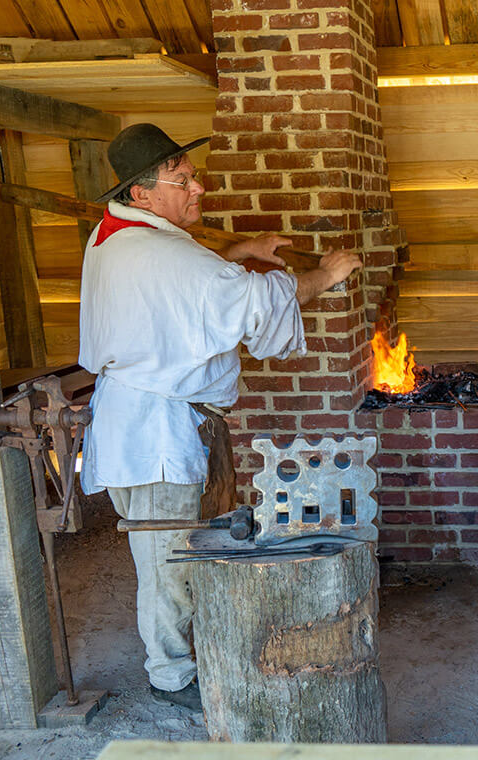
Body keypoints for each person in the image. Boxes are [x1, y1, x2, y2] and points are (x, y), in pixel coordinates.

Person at [78, 123, 361, 711]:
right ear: (141, 194)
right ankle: (171, 675)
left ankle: (185, 655)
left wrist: (238, 253)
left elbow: (187, 287)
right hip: (155, 432)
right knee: (167, 560)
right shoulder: (159, 252)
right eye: (182, 181)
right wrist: (327, 275)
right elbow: (257, 303)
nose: (198, 188)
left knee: (176, 551)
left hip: (152, 418)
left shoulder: (117, 237)